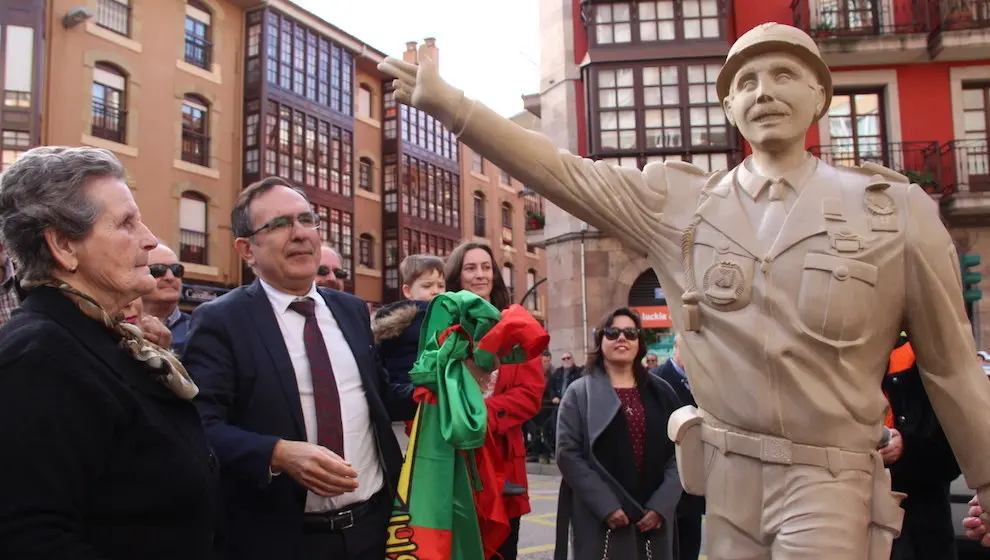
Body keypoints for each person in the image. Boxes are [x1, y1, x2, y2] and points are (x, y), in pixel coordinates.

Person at [379, 23, 990, 558]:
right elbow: (563, 173)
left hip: (829, 480)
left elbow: (953, 368)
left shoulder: (892, 213)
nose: (764, 91)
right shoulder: (683, 206)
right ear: (728, 105)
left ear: (820, 96)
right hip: (727, 486)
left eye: (784, 75)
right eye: (746, 82)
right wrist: (452, 105)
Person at [182, 177, 417, 560]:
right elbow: (198, 427)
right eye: (278, 224)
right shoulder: (222, 321)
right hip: (281, 540)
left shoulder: (352, 311)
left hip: (374, 528)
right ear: (246, 249)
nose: (299, 233)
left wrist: (443, 385)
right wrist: (277, 453)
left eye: (306, 219)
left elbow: (381, 396)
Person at [0, 146, 216, 559]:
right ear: (64, 245)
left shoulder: (100, 336)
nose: (150, 240)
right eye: (126, 223)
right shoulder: (37, 360)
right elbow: (31, 536)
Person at [444, 240, 545, 560]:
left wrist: (478, 413)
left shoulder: (515, 326)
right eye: (470, 268)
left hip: (504, 462)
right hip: (454, 462)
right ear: (457, 277)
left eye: (486, 267)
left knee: (502, 550)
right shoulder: (443, 329)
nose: (480, 275)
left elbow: (530, 395)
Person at [554, 307, 682, 560]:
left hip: (653, 517)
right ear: (600, 340)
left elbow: (681, 452)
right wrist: (607, 506)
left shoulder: (662, 391)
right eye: (612, 333)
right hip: (599, 518)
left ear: (639, 342)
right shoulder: (578, 393)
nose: (622, 338)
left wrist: (662, 504)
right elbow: (568, 454)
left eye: (630, 333)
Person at [882, 333, 960, 560]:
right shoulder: (846, 362)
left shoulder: (931, 362)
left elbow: (953, 457)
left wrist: (905, 448)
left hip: (922, 532)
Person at [371, 254, 446, 449]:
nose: (436, 291)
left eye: (441, 285)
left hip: (408, 400)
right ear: (407, 291)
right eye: (427, 286)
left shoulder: (388, 323)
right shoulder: (428, 317)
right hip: (415, 399)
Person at [655, 335, 705, 560]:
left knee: (689, 546)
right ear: (675, 348)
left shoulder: (705, 381)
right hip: (665, 480)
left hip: (694, 481)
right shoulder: (657, 380)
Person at [141, 243, 191, 354]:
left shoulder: (198, 329)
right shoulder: (118, 327)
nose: (170, 277)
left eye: (176, 270)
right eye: (158, 270)